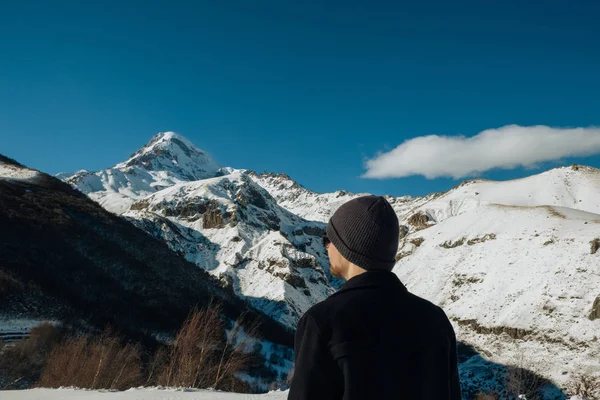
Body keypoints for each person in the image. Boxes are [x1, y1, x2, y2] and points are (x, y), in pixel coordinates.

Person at [288, 195, 461, 400]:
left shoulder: (323, 322)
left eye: (328, 239)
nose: (326, 247)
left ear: (346, 246)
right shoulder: (435, 320)